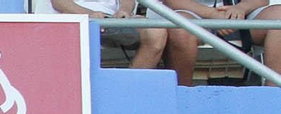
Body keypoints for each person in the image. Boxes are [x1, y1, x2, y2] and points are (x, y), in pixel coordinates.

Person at [52, 0, 192, 81]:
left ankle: (128, 89)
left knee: (155, 32)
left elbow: (127, 1)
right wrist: (89, 14)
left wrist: (125, 11)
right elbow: (59, 2)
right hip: (69, 19)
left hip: (111, 19)